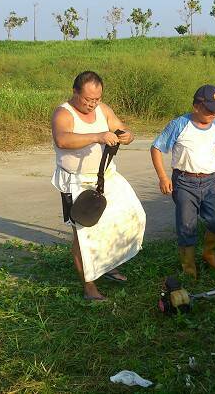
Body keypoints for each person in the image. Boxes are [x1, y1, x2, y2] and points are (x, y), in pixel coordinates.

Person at [51, 71, 144, 301]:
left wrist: (126, 135)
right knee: (84, 234)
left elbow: (121, 129)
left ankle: (107, 264)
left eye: (97, 99)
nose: (92, 104)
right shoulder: (64, 113)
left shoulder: (103, 110)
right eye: (88, 99)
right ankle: (89, 286)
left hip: (106, 178)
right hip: (77, 183)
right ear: (75, 92)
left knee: (131, 217)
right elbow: (62, 139)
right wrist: (97, 136)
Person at [150, 84, 215, 279]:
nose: (214, 114)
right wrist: (163, 177)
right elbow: (156, 148)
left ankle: (208, 253)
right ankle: (189, 269)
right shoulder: (179, 125)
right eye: (209, 110)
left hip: (211, 182)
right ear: (196, 106)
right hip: (184, 182)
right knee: (187, 227)